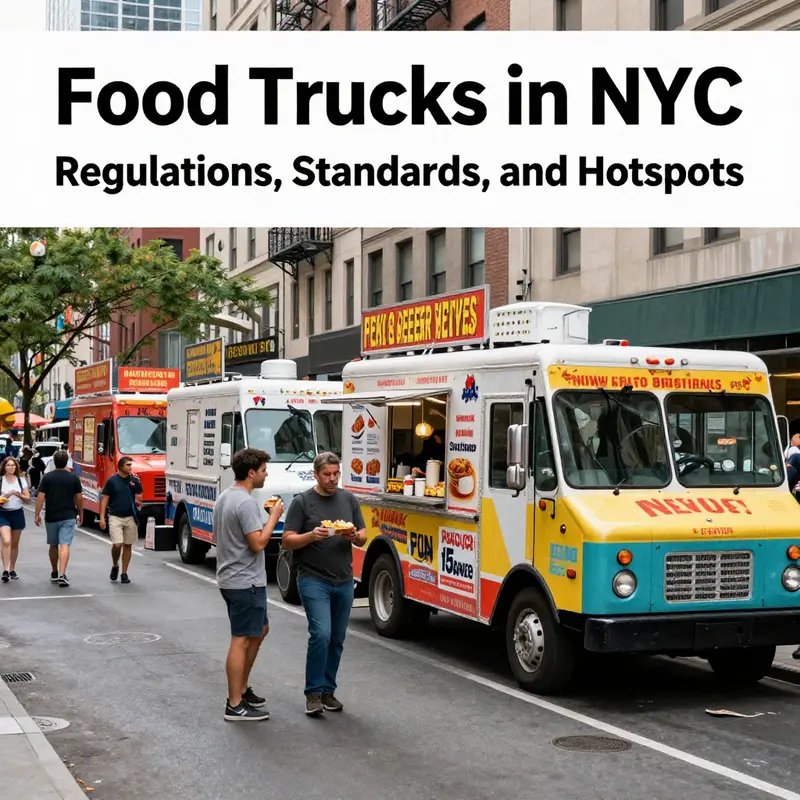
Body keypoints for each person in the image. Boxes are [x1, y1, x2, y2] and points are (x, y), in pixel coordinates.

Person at [283, 451, 366, 716]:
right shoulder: (303, 502)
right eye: (327, 475)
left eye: (336, 474)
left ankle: (328, 691)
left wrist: (355, 536)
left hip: (343, 579)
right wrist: (311, 535)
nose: (332, 479)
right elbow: (286, 540)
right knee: (321, 634)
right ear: (315, 474)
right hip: (312, 578)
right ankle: (314, 693)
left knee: (337, 638)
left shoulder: (348, 499)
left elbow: (364, 535)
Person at [214, 447, 284, 722]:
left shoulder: (226, 496)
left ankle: (241, 689)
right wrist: (274, 517)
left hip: (235, 576)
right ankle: (234, 702)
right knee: (241, 638)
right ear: (251, 472)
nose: (267, 475)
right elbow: (258, 543)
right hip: (244, 580)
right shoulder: (245, 502)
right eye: (265, 470)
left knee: (260, 629)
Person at [34, 450, 84, 587]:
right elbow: (79, 498)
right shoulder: (74, 478)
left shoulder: (47, 477)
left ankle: (54, 571)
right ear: (67, 461)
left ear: (54, 462)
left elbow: (40, 497)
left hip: (51, 515)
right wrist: (81, 512)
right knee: (65, 544)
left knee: (53, 545)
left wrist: (37, 514)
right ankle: (63, 574)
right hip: (68, 515)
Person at [98, 457, 142, 585]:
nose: (130, 467)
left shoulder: (134, 480)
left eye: (131, 465)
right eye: (128, 465)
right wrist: (102, 517)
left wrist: (137, 498)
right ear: (120, 466)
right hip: (115, 516)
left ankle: (124, 573)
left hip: (130, 517)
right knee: (117, 544)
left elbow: (140, 497)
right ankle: (115, 564)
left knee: (128, 544)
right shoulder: (112, 481)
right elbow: (105, 498)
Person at [0, 457, 30, 582]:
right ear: (4, 467)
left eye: (13, 465)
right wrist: (6, 496)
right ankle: (5, 569)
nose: (11, 467)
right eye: (8, 465)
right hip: (3, 513)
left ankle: (12, 568)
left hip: (17, 513)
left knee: (14, 543)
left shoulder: (21, 480)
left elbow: (27, 498)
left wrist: (16, 493)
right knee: (6, 541)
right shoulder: (1, 480)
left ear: (16, 467)